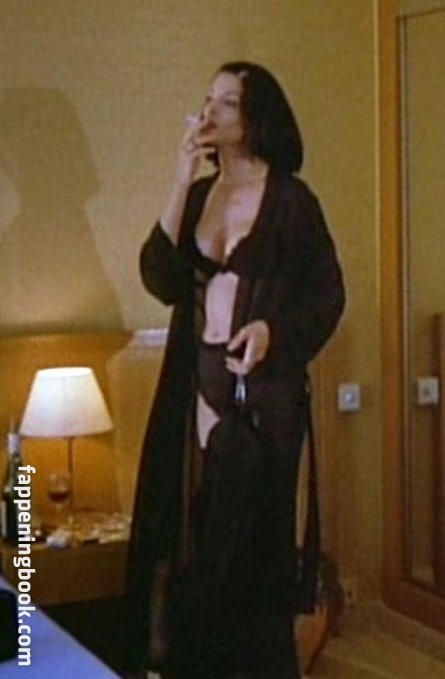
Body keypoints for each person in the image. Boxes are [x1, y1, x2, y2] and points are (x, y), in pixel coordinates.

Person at [125, 61, 345, 679]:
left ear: (255, 118)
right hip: (194, 386)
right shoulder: (199, 195)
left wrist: (273, 333)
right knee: (189, 540)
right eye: (208, 99)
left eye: (226, 102)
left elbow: (328, 297)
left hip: (266, 395)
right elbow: (160, 277)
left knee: (252, 548)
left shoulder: (292, 201)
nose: (210, 111)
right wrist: (180, 178)